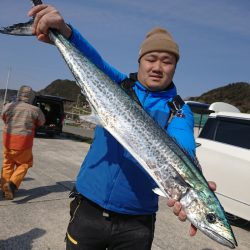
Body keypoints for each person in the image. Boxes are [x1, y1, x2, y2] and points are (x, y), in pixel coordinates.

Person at [28, 4, 216, 250]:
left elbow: (183, 142)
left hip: (137, 222)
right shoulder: (119, 86)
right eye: (151, 59)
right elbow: (93, 60)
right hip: (89, 208)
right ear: (140, 61)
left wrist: (194, 177)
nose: (157, 67)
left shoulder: (179, 109)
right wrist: (66, 32)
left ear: (175, 67)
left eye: (167, 61)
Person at [1, 85, 45, 200]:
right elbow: (41, 122)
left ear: (19, 94)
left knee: (8, 163)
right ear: (31, 97)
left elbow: (4, 117)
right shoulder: (35, 110)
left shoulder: (9, 106)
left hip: (8, 140)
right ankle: (12, 184)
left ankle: (3, 188)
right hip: (23, 142)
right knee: (25, 163)